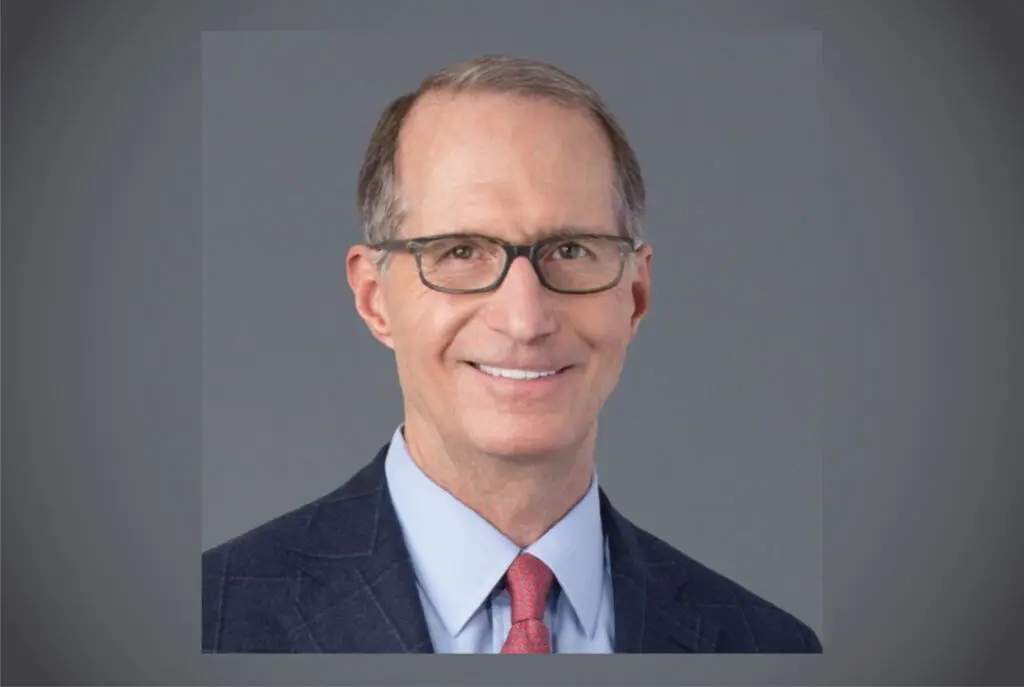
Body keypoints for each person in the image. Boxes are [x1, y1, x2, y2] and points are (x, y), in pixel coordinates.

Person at [202, 54, 822, 654]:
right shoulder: (212, 621)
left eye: (572, 250)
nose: (525, 320)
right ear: (374, 298)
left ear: (635, 294)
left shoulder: (770, 647)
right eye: (461, 252)